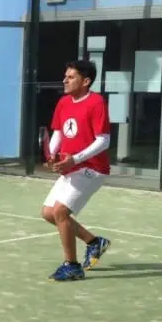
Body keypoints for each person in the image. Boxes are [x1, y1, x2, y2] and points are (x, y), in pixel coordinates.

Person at [42, 59, 112, 281]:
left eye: (71, 77)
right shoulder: (63, 102)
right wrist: (52, 155)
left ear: (86, 81)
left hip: (92, 168)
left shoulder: (96, 102)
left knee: (61, 211)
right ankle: (94, 242)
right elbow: (58, 133)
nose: (65, 80)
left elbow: (104, 140)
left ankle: (71, 266)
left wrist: (76, 159)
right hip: (70, 168)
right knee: (48, 213)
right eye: (66, 76)